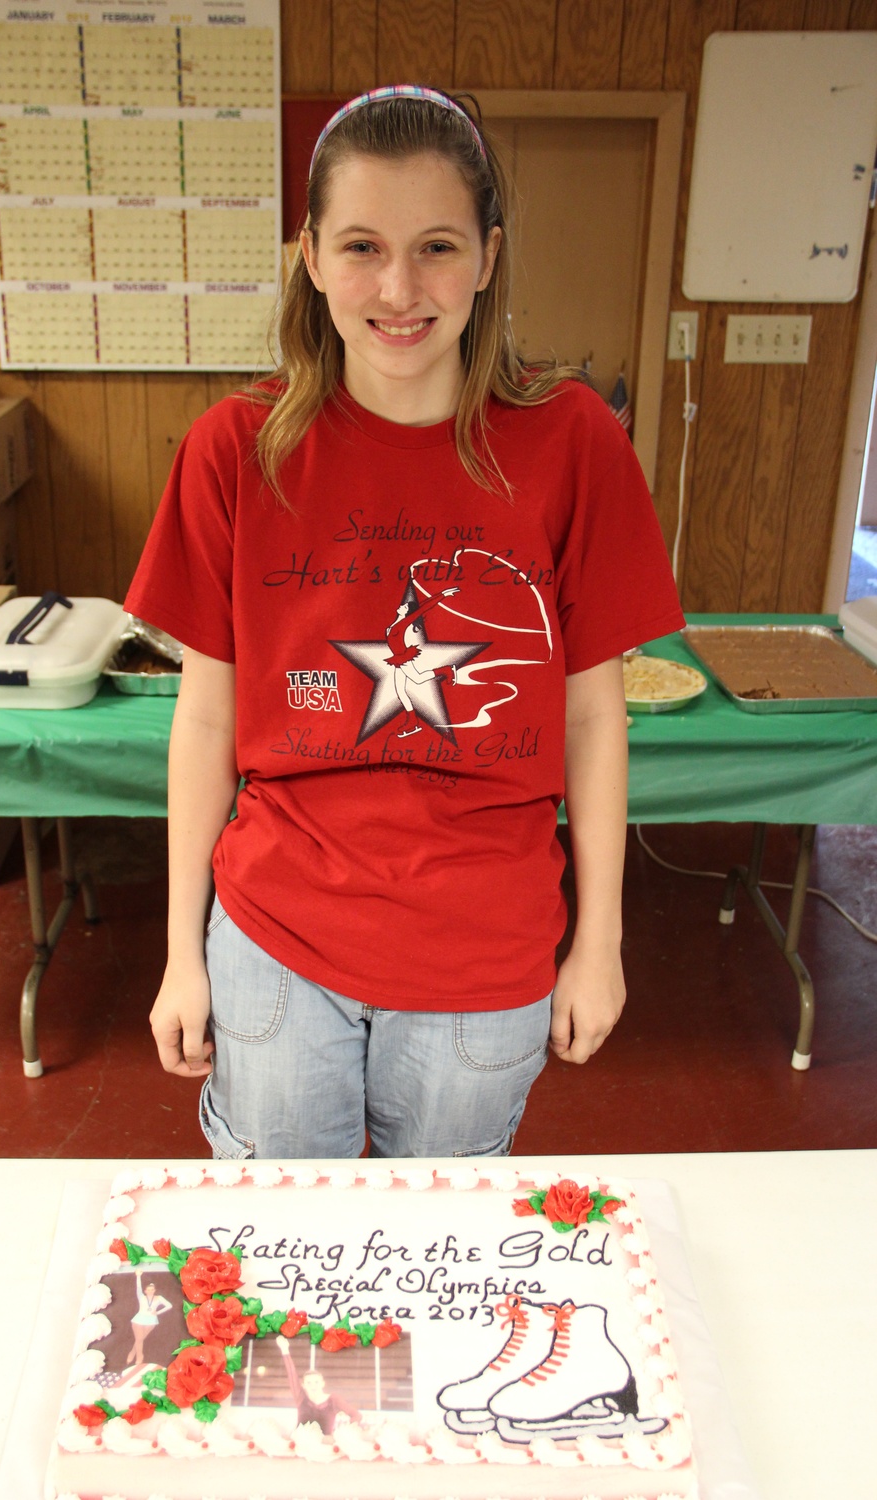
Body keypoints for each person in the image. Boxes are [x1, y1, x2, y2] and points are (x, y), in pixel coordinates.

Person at [125, 85, 684, 1159]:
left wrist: (600, 943)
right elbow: (202, 724)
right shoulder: (232, 450)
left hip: (487, 956)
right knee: (287, 1252)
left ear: (487, 256)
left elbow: (592, 720)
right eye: (360, 246)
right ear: (310, 255)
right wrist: (180, 950)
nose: (397, 288)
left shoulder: (572, 442)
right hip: (275, 945)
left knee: (445, 1256)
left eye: (434, 246)